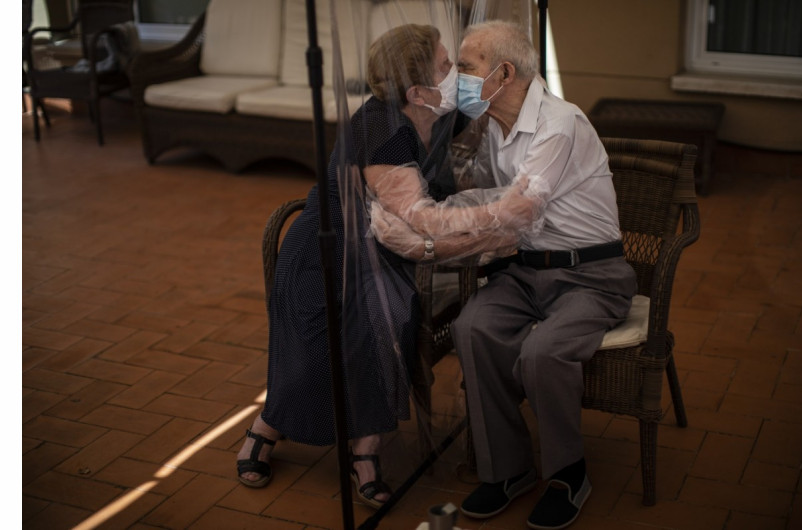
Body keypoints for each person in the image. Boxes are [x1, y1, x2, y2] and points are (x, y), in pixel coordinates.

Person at [235, 23, 541, 509]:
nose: (456, 74)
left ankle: (365, 452)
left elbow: (492, 94)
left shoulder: (435, 113)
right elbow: (423, 219)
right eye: (447, 66)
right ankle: (265, 426)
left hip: (382, 252)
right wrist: (501, 215)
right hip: (326, 253)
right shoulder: (382, 133)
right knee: (324, 345)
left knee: (386, 327)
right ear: (416, 90)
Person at [448, 20, 637, 530]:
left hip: (591, 275)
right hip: (526, 273)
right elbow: (483, 197)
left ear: (503, 73)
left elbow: (515, 209)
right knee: (471, 329)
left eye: (466, 68)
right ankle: (508, 470)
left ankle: (569, 473)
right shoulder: (492, 125)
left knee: (543, 351)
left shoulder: (561, 122)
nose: (457, 77)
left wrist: (434, 236)